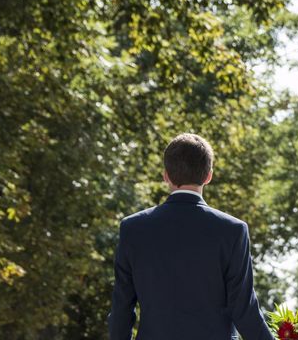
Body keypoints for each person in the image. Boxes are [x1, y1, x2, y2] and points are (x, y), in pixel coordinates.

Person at [108, 133, 273, 340]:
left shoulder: (133, 229)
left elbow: (122, 309)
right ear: (208, 176)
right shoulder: (233, 231)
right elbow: (244, 310)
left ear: (166, 175)